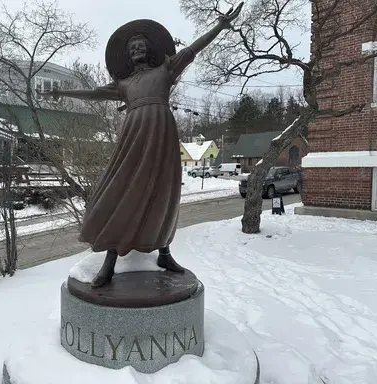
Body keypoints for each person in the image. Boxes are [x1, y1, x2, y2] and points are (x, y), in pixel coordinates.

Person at [43, 3, 243, 288]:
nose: (136, 48)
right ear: (128, 54)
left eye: (141, 44)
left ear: (149, 50)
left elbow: (192, 50)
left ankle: (165, 253)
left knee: (163, 190)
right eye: (132, 46)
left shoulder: (166, 69)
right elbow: (95, 94)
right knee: (123, 188)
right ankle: (109, 262)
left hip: (162, 132)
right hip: (134, 135)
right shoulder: (124, 84)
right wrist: (62, 91)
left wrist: (220, 27)